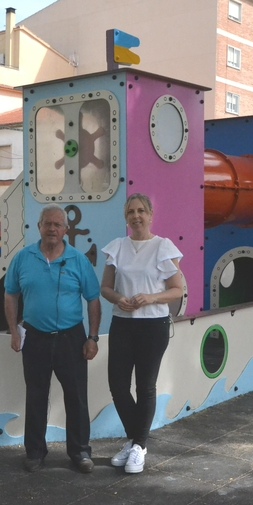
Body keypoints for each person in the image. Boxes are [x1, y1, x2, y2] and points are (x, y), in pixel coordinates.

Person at [4, 204, 102, 473]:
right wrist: (13, 331)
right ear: (39, 227)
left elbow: (93, 299)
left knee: (76, 397)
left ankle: (80, 452)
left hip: (71, 337)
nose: (52, 229)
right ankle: (35, 452)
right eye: (47, 223)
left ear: (66, 230)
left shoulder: (78, 260)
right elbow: (10, 294)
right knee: (36, 396)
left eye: (58, 225)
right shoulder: (22, 258)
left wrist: (92, 338)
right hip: (34, 337)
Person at [100, 193, 183, 474]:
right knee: (118, 386)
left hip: (152, 325)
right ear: (126, 217)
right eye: (130, 212)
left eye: (140, 211)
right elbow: (106, 288)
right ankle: (136, 440)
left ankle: (138, 445)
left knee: (145, 387)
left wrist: (151, 297)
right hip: (123, 324)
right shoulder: (117, 247)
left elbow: (177, 289)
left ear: (150, 215)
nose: (136, 216)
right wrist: (118, 298)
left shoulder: (162, 247)